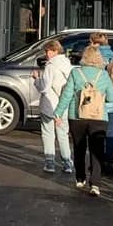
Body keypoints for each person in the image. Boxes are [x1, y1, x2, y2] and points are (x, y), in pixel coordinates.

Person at [56, 45, 112, 196]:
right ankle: (95, 184)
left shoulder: (75, 73)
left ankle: (80, 178)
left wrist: (58, 113)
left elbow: (67, 95)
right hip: (99, 117)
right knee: (97, 150)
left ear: (84, 57)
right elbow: (112, 97)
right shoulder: (104, 75)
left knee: (79, 148)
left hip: (76, 116)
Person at [33, 39, 73, 175]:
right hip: (63, 106)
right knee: (63, 134)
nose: (47, 54)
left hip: (49, 105)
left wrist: (36, 79)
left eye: (49, 51)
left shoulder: (50, 66)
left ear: (55, 51)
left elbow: (44, 88)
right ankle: (67, 163)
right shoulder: (67, 64)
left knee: (48, 134)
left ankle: (50, 163)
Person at [90, 31, 113, 176]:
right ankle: (109, 164)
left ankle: (97, 165)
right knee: (112, 134)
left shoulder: (94, 57)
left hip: (99, 103)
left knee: (97, 134)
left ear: (94, 43)